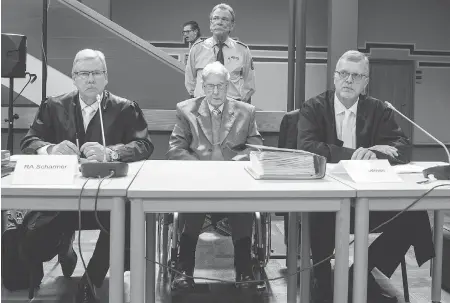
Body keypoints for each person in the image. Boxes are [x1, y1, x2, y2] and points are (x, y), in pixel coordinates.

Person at [297, 50, 435, 303]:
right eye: (344, 74)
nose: (349, 81)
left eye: (356, 76)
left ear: (365, 82)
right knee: (317, 215)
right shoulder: (314, 107)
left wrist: (375, 155)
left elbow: (401, 146)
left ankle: (360, 272)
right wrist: (359, 154)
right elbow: (307, 148)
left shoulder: (378, 109)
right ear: (335, 77)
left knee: (414, 215)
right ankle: (323, 283)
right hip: (328, 200)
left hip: (370, 199)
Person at [20, 49, 154, 303]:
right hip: (62, 196)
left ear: (106, 77)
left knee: (126, 223)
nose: (90, 79)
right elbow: (29, 142)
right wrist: (50, 149)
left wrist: (111, 153)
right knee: (32, 233)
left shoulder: (125, 108)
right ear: (73, 77)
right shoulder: (53, 105)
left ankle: (91, 281)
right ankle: (63, 247)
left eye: (96, 73)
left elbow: (144, 146)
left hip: (107, 198)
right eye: (84, 73)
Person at [167, 61, 263, 292]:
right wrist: (200, 169)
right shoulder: (186, 110)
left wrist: (233, 165)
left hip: (234, 180)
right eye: (210, 87)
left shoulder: (246, 111)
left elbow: (256, 146)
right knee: (191, 202)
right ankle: (184, 269)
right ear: (202, 86)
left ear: (228, 85)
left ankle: (244, 269)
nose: (216, 92)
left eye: (220, 86)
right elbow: (175, 148)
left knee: (243, 202)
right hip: (199, 180)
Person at [185, 3, 255, 103]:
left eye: (225, 19)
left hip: (232, 110)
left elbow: (250, 85)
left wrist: (238, 105)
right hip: (203, 108)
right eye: (216, 18)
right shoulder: (197, 49)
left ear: (232, 25)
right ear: (210, 23)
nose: (219, 22)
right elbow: (189, 81)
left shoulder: (242, 50)